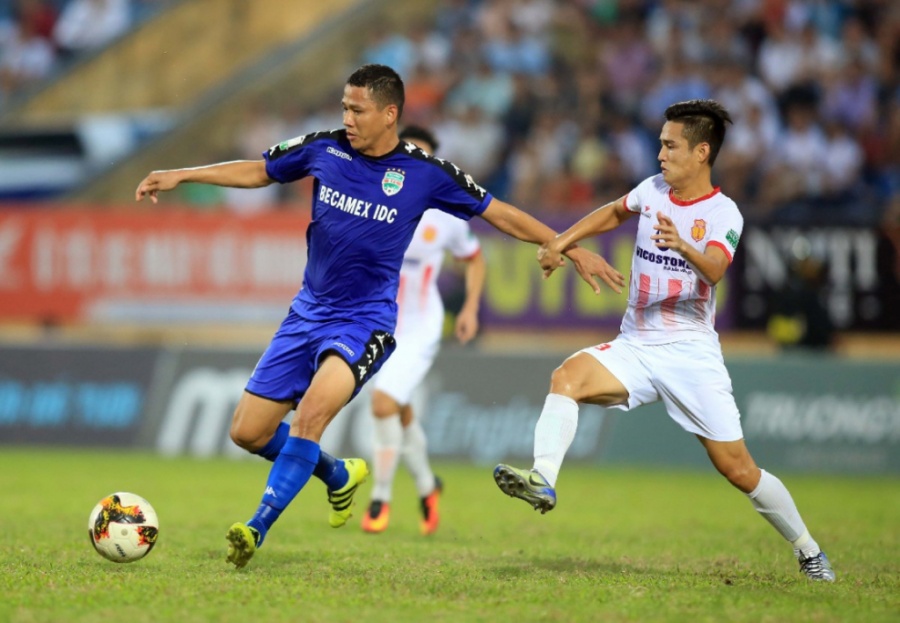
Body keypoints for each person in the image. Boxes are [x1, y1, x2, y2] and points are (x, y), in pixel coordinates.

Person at [135, 64, 621, 569]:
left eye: (357, 109)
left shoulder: (425, 173)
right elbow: (259, 170)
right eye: (345, 107)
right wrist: (184, 174)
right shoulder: (324, 148)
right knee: (247, 433)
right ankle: (337, 476)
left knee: (309, 417)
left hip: (363, 322)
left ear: (390, 114)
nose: (347, 118)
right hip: (305, 313)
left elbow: (498, 212)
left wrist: (566, 244)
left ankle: (257, 526)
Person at [492, 99, 836, 582]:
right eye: (659, 144)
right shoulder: (652, 190)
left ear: (701, 152)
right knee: (566, 376)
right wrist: (561, 242)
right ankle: (543, 479)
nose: (660, 154)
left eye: (670, 145)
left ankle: (809, 550)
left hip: (691, 352)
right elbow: (614, 213)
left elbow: (715, 270)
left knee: (738, 469)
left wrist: (683, 245)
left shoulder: (724, 212)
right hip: (636, 343)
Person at [361, 125, 485, 536]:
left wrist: (468, 307)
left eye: (423, 154)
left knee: (382, 404)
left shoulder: (446, 215)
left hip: (420, 326)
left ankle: (380, 498)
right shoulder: (377, 199)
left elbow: (474, 258)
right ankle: (429, 487)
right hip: (381, 322)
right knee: (401, 409)